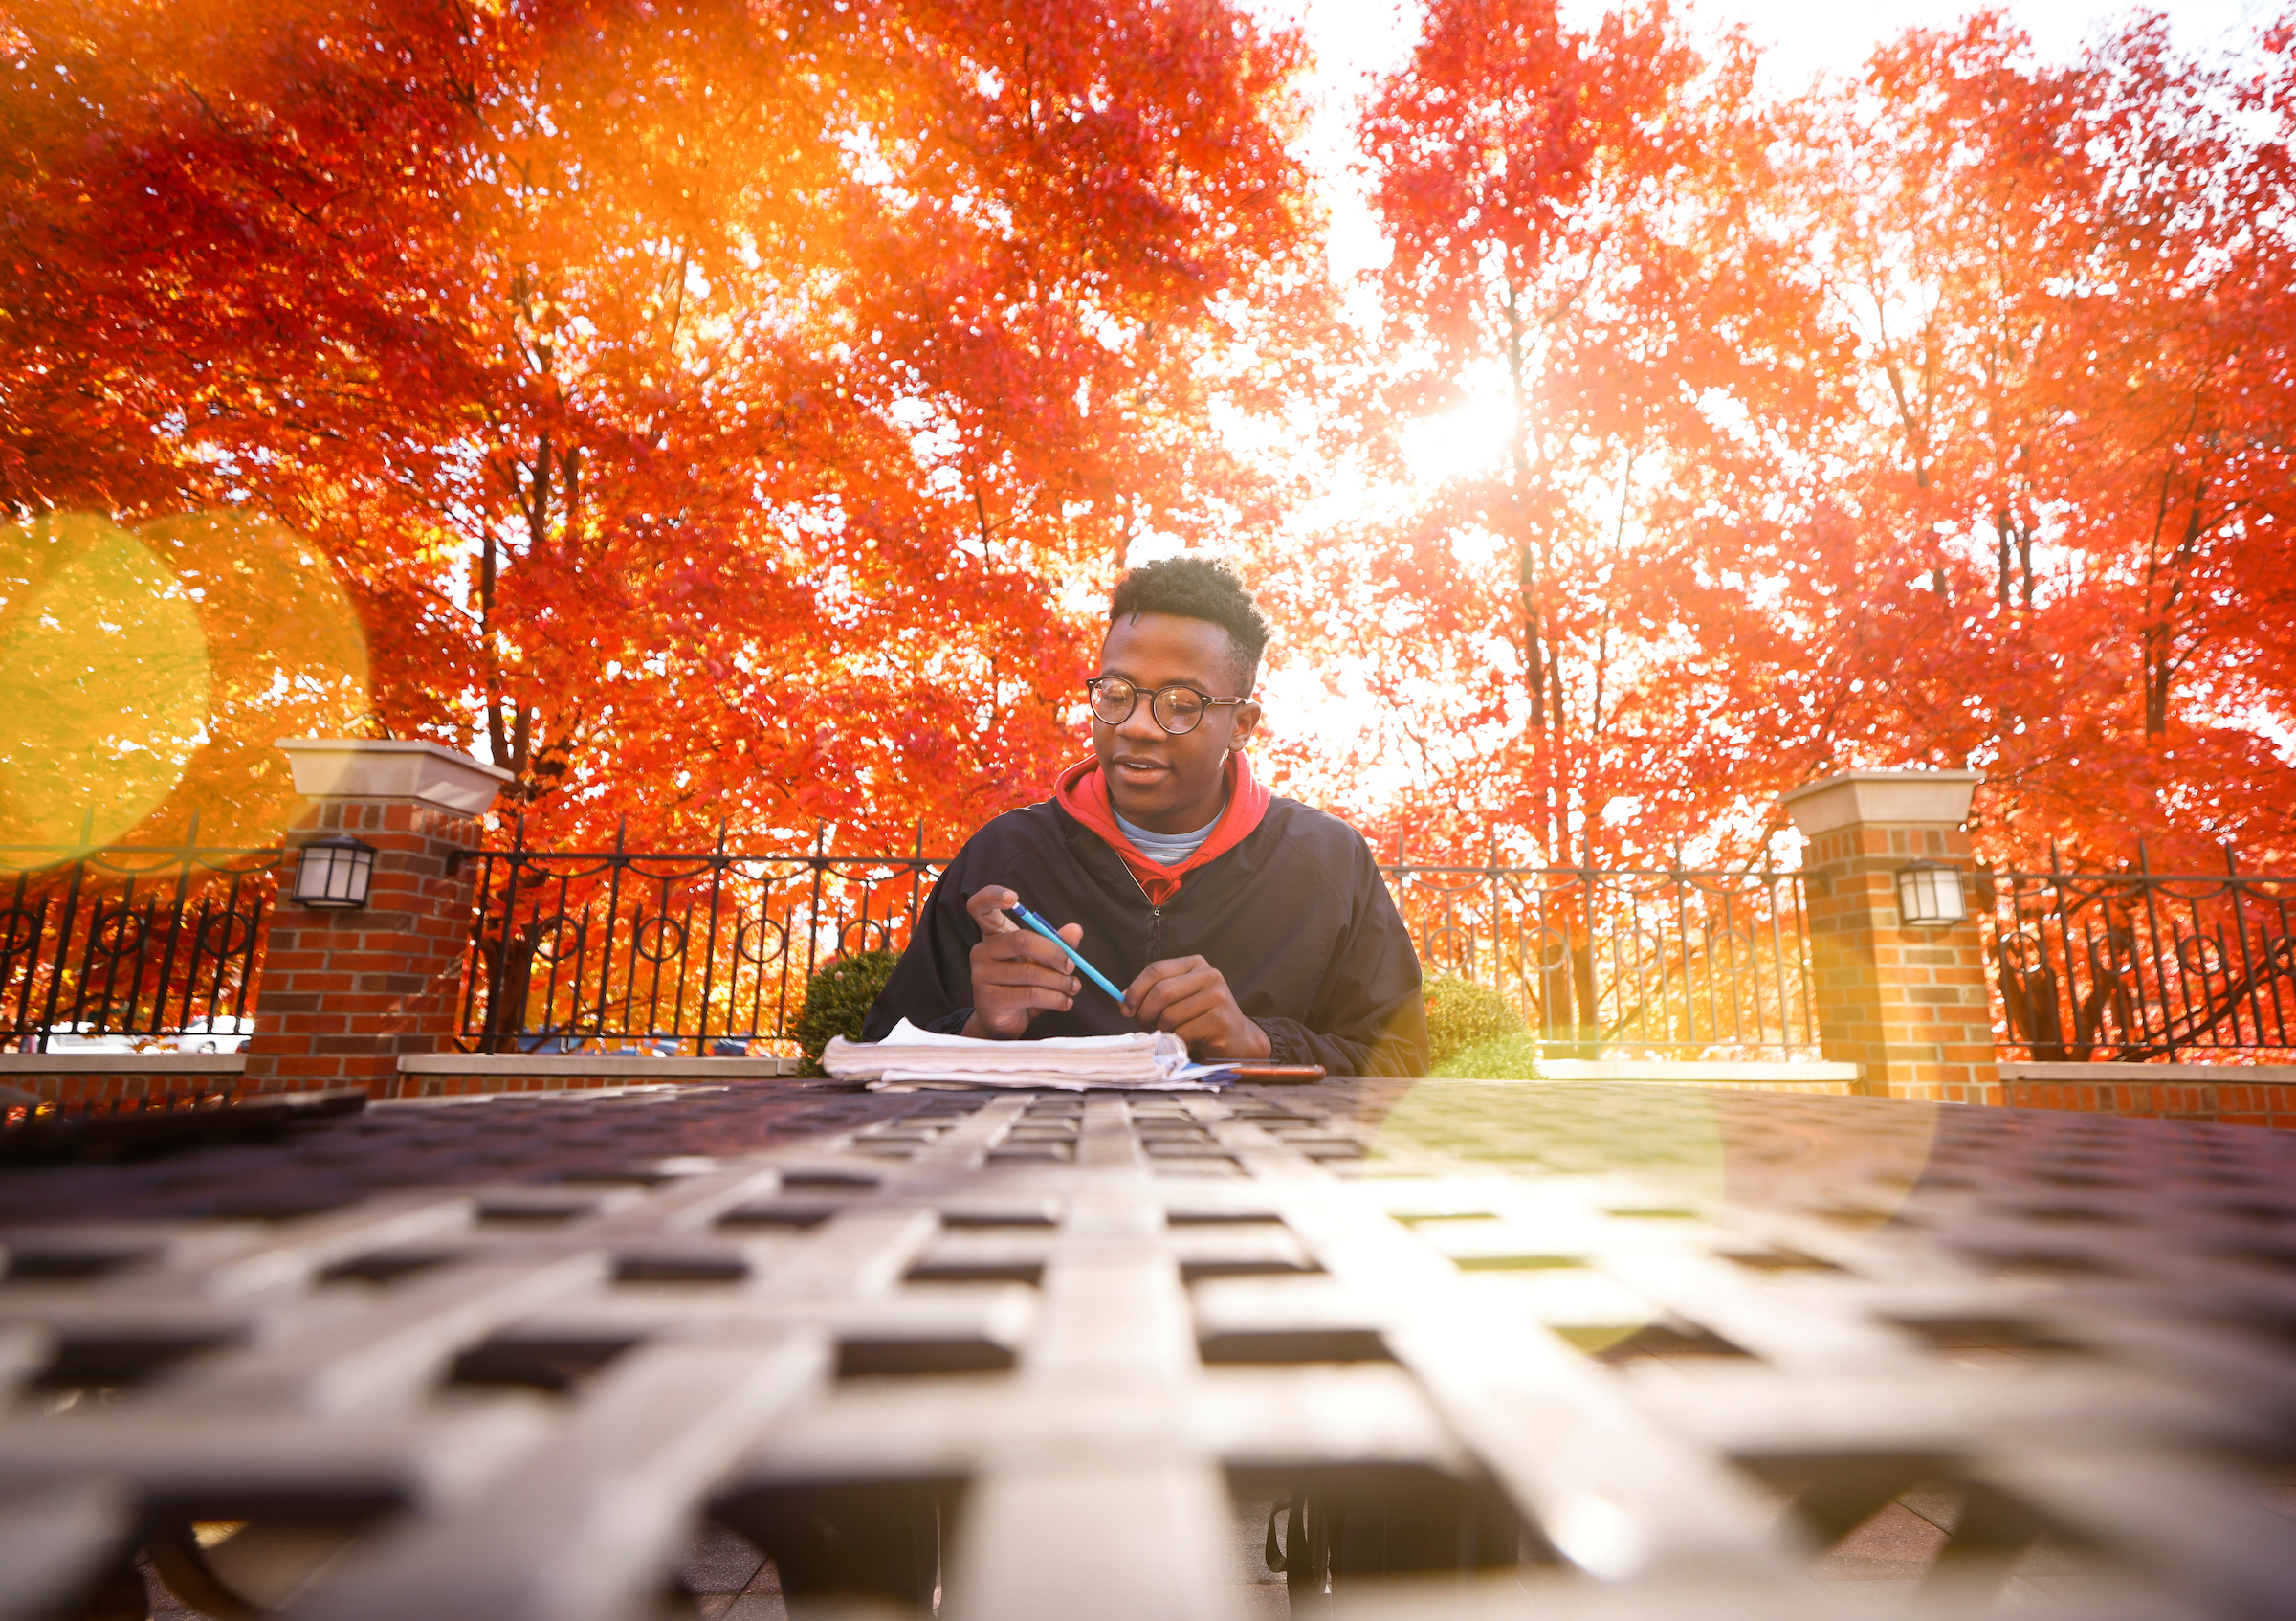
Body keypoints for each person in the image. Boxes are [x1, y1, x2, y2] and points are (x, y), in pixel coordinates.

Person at [864, 555, 1427, 1076]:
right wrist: (981, 1030)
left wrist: (1257, 1044)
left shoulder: (1327, 862)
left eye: (1181, 704)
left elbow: (1402, 1064)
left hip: (1252, 1177)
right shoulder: (1003, 857)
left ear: (1242, 725)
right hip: (1045, 1176)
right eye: (1115, 693)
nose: (1136, 725)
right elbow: (877, 1054)